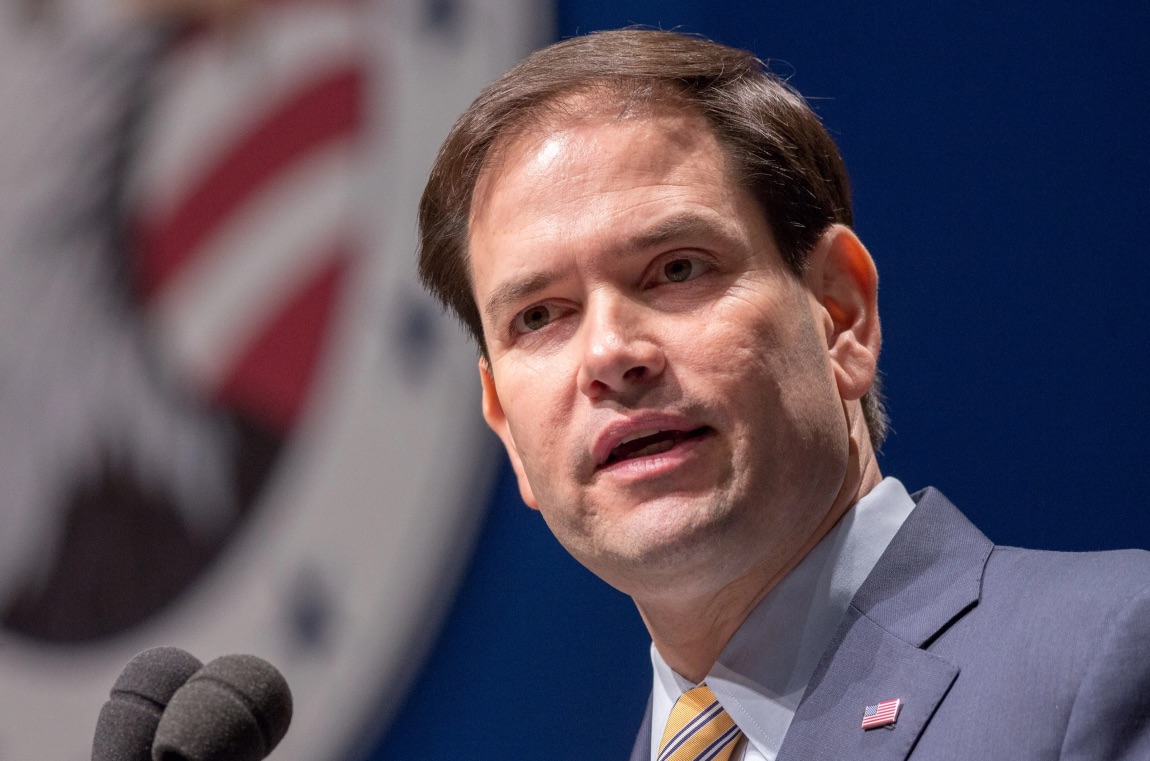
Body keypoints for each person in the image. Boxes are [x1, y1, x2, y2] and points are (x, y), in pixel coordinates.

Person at [416, 29, 1150, 760]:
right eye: (538, 315)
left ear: (840, 315)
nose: (609, 354)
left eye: (676, 269)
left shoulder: (1104, 656)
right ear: (506, 424)